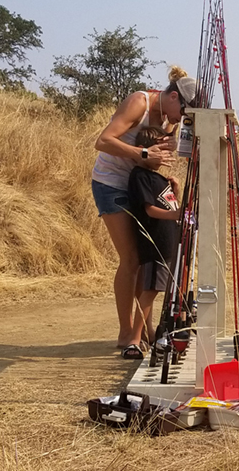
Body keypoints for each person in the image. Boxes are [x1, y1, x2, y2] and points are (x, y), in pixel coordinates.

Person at [91, 66, 195, 350]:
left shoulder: (169, 118)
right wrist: (143, 153)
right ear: (173, 96)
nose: (181, 119)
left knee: (147, 257)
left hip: (140, 185)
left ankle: (142, 328)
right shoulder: (140, 102)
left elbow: (157, 150)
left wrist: (169, 146)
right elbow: (103, 140)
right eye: (182, 113)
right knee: (131, 258)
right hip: (112, 183)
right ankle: (126, 333)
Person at [121, 127, 181, 359]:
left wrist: (175, 191)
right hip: (156, 244)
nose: (165, 157)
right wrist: (175, 216)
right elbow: (150, 210)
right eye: (162, 151)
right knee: (149, 292)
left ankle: (149, 334)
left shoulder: (157, 178)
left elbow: (168, 204)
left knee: (153, 291)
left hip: (167, 242)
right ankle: (134, 340)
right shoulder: (140, 176)